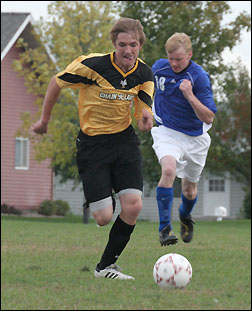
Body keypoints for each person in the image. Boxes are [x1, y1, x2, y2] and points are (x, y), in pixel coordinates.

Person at [31, 18, 154, 279]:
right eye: (123, 44)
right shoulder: (92, 65)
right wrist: (44, 120)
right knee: (103, 217)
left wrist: (146, 119)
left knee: (133, 206)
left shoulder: (144, 74)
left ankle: (105, 267)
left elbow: (144, 112)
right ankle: (102, 194)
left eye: (133, 45)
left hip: (124, 143)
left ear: (140, 45)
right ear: (114, 44)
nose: (128, 50)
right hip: (92, 145)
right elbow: (56, 83)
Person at [151, 33, 217, 246]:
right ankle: (164, 229)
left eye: (179, 59)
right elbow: (141, 87)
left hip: (195, 138)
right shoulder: (158, 69)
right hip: (167, 131)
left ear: (189, 54)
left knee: (189, 190)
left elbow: (208, 116)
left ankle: (185, 216)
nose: (174, 63)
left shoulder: (199, 76)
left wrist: (189, 95)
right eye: (170, 58)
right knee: (168, 170)